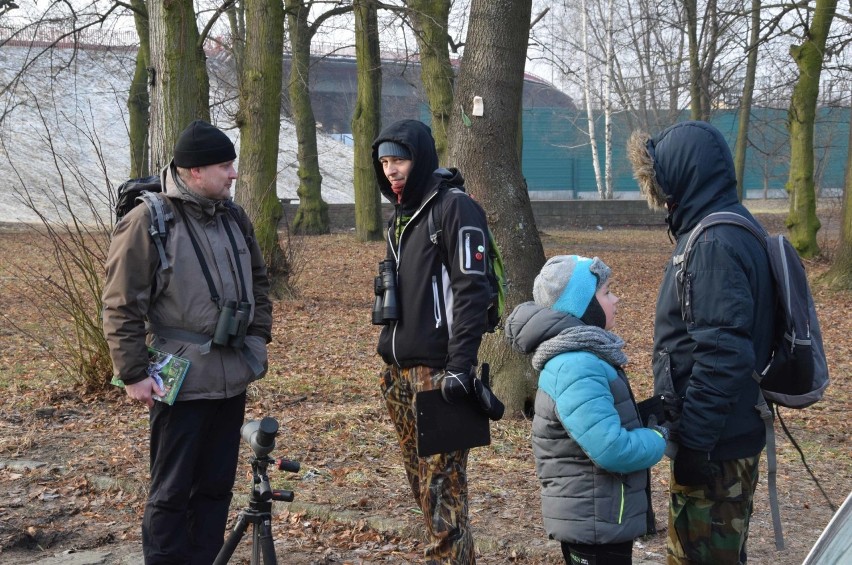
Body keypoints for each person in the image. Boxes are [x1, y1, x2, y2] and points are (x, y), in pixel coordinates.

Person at [102, 119, 272, 564]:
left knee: (216, 488)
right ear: (194, 171)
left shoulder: (234, 217)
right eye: (224, 166)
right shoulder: (148, 220)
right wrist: (133, 372)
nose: (233, 174)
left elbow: (260, 282)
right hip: (178, 382)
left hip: (232, 377)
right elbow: (121, 303)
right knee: (171, 491)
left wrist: (257, 340)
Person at [627, 120, 776, 564]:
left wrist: (694, 444)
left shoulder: (712, 243)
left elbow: (724, 355)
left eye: (662, 180)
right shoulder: (731, 226)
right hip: (725, 438)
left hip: (716, 449)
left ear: (684, 175)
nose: (662, 195)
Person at [371, 119, 497, 563]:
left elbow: (472, 290)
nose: (391, 169)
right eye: (384, 161)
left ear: (420, 157)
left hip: (440, 375)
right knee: (424, 494)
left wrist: (461, 366)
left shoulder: (454, 209)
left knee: (443, 494)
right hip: (398, 374)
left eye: (399, 159)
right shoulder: (401, 218)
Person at [505, 255, 667, 565]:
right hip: (593, 522)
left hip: (599, 515)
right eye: (606, 292)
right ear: (582, 307)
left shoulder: (583, 357)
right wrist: (657, 438)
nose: (616, 298)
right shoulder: (576, 365)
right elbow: (610, 448)